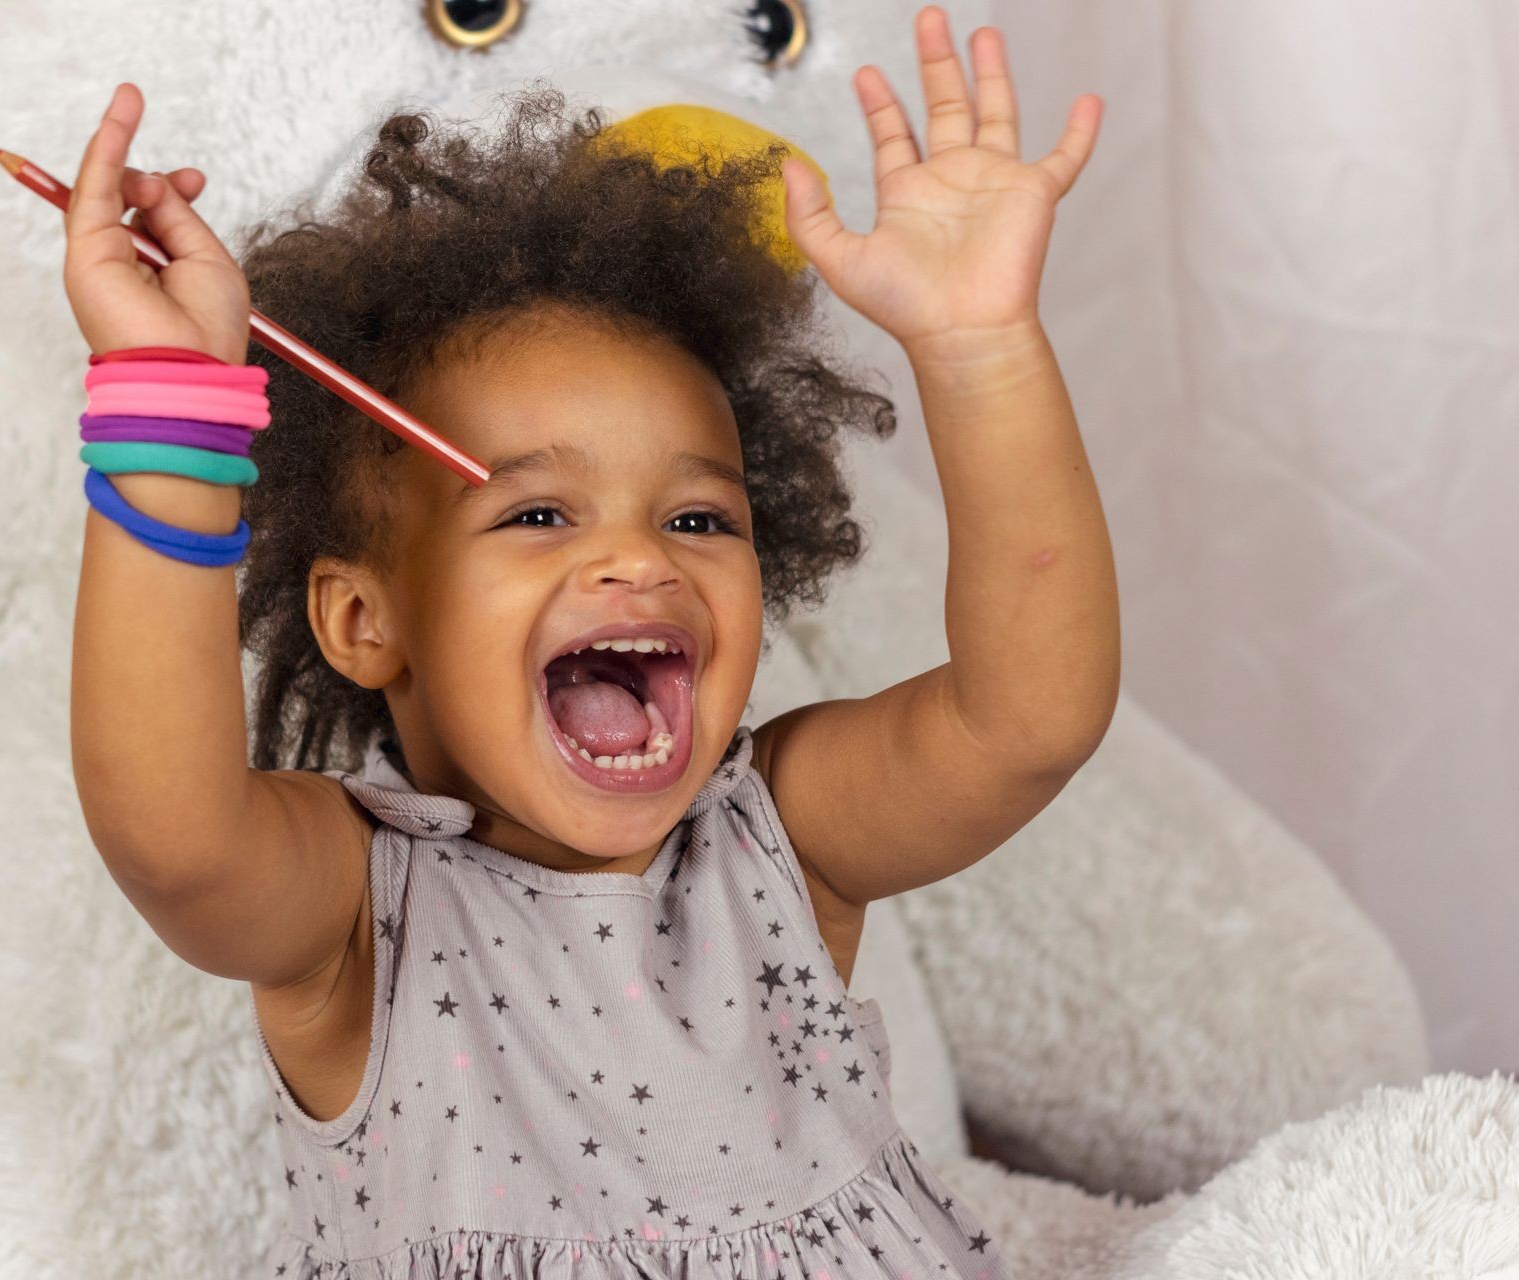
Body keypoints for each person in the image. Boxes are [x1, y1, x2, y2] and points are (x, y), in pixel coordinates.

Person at [63, 7, 1114, 1274]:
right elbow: (172, 838)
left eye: (696, 515)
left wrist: (982, 349)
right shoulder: (359, 912)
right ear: (363, 617)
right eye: (538, 511)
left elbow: (1030, 716)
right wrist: (172, 414)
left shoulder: (781, 844)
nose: (639, 558)